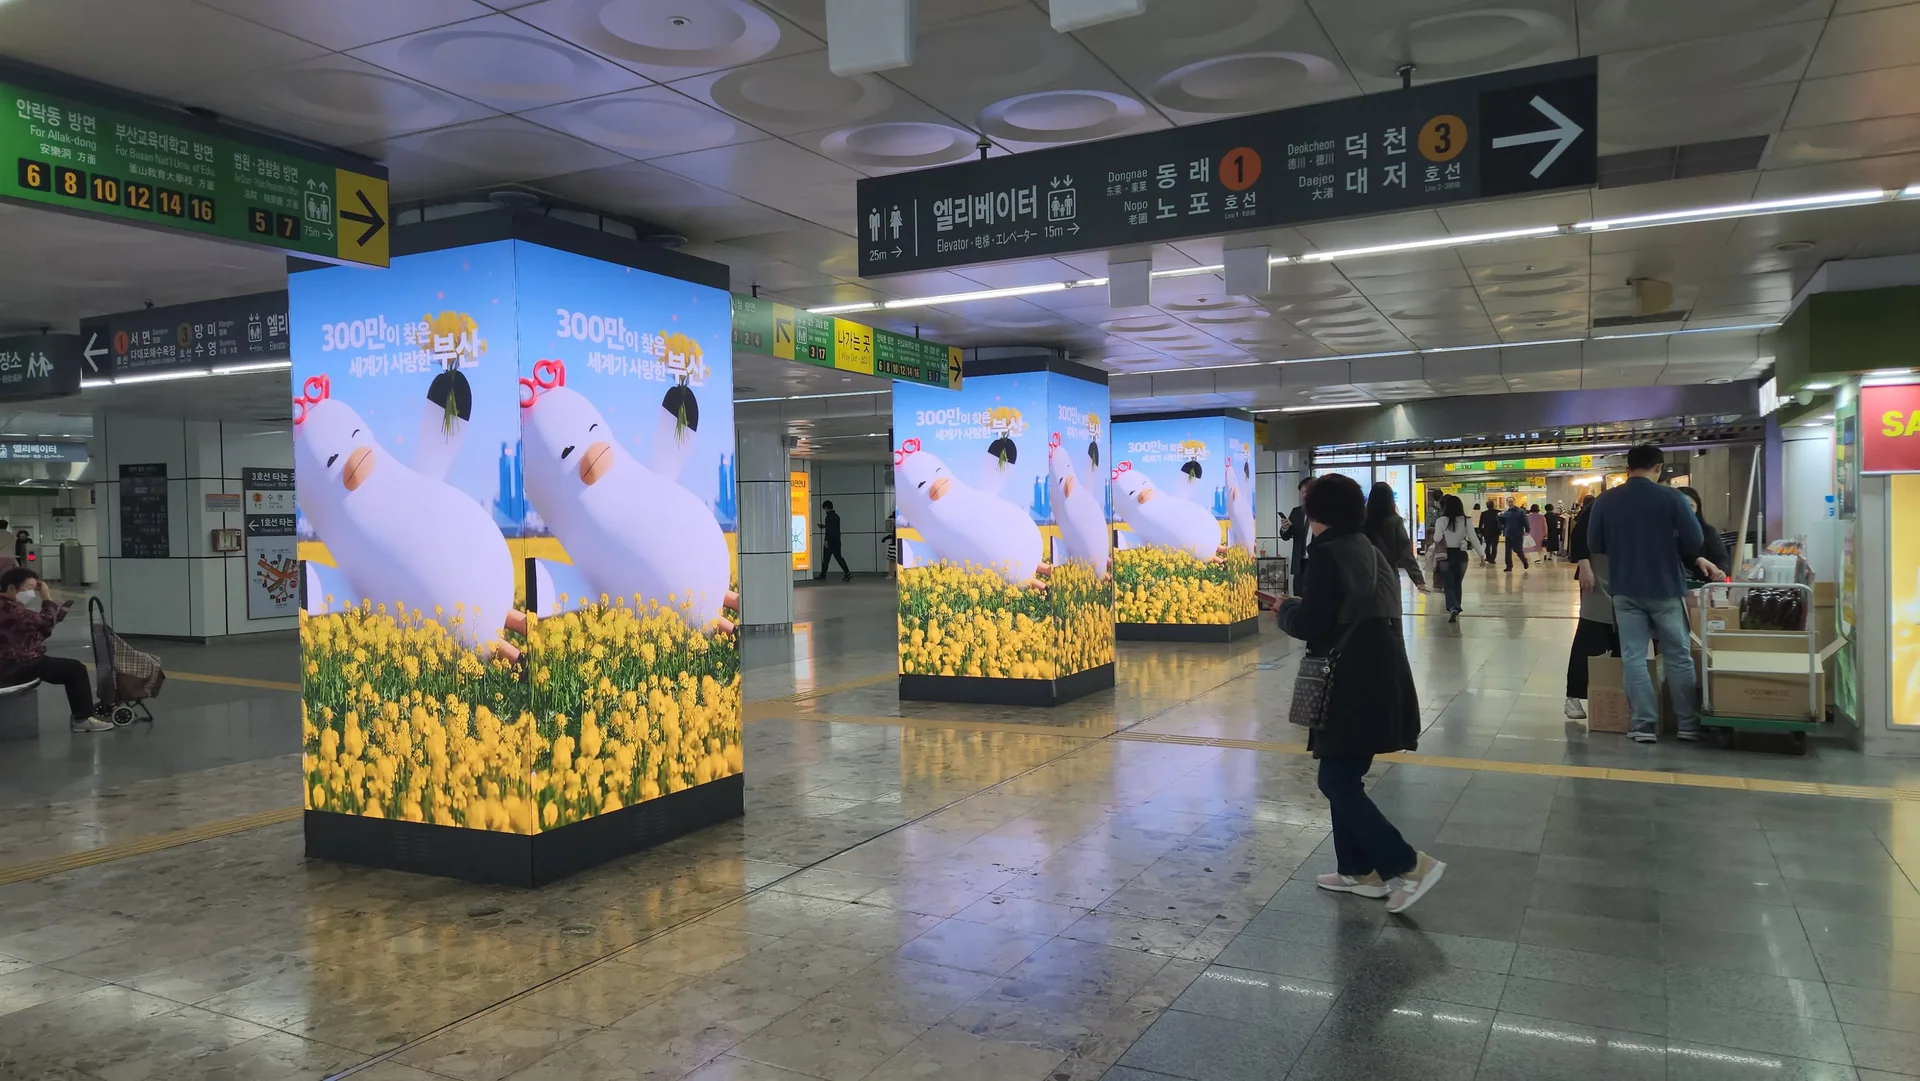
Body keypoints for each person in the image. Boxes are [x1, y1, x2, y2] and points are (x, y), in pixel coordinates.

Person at [1277, 474, 1446, 915]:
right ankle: (1359, 871)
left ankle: (1409, 865)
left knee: (1334, 780)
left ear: (1317, 512)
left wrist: (1284, 609)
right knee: (1344, 776)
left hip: (1351, 681)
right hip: (1381, 673)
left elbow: (1312, 624)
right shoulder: (1367, 548)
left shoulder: (1328, 554)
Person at [1587, 444, 1716, 743]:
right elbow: (1695, 539)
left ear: (1627, 469)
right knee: (1678, 656)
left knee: (1633, 657)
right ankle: (1687, 725)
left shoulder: (1606, 500)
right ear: (1658, 468)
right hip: (1665, 588)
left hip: (1624, 588)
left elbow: (1595, 543)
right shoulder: (1672, 497)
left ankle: (1643, 725)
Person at [0, 568, 109, 733]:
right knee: (75, 670)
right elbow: (43, 622)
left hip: (15, 660)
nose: (32, 593)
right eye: (29, 588)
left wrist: (56, 615)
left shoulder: (8, 606)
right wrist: (47, 598)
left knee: (70, 668)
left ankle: (83, 717)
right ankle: (82, 719)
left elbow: (36, 627)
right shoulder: (8, 609)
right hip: (15, 664)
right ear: (11, 588)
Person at [1564, 494, 1620, 720]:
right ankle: (1574, 695)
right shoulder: (1607, 501)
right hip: (1600, 574)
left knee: (1624, 642)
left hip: (1630, 576)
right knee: (1592, 633)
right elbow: (1579, 534)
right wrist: (1585, 566)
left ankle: (1615, 699)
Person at [1362, 481, 1427, 594]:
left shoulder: (1362, 521)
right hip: (1389, 573)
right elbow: (1405, 551)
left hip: (1365, 573)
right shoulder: (1395, 521)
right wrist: (1418, 579)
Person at [1431, 493, 1474, 622]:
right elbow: (1474, 538)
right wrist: (1482, 555)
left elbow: (1437, 538)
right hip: (1461, 556)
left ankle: (1453, 607)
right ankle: (1457, 607)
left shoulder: (1441, 521)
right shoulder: (1466, 520)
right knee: (1457, 583)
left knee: (1448, 584)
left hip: (1445, 555)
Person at [1675, 486, 1731, 581]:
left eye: (1691, 506)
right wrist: (1697, 559)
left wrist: (1721, 571)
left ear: (1697, 508)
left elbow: (1722, 558)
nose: (1686, 511)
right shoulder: (1667, 532)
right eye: (1682, 507)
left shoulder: (1707, 531)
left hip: (1704, 583)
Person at [1278, 476, 1312, 595]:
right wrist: (1285, 527)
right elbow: (1286, 536)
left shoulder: (1324, 513)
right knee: (1298, 594)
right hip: (1300, 564)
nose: (1304, 496)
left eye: (1306, 492)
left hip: (1316, 562)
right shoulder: (1296, 512)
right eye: (1302, 493)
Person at [815, 500, 850, 582]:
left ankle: (823, 574)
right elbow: (834, 529)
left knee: (826, 559)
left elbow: (829, 530)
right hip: (837, 541)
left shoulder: (829, 517)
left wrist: (826, 540)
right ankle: (847, 572)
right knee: (838, 557)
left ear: (826, 507)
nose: (825, 510)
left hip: (830, 541)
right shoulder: (836, 516)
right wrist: (825, 526)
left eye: (824, 508)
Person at [1501, 500, 1531, 571]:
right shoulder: (1506, 513)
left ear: (1514, 502)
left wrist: (1527, 529)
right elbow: (1503, 523)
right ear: (1507, 503)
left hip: (1518, 533)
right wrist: (1499, 517)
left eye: (1511, 501)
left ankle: (1524, 560)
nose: (1510, 503)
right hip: (1508, 534)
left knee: (1518, 550)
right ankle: (1509, 566)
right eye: (1509, 502)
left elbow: (1525, 521)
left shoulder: (1520, 511)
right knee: (1508, 551)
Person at [1477, 500, 1500, 564]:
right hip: (1495, 531)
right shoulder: (1498, 512)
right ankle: (1492, 559)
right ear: (1493, 505)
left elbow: (1481, 523)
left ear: (1487, 506)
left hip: (1487, 531)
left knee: (1488, 545)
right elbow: (1501, 522)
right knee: (1494, 546)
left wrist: (1480, 531)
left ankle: (1488, 557)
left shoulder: (1484, 513)